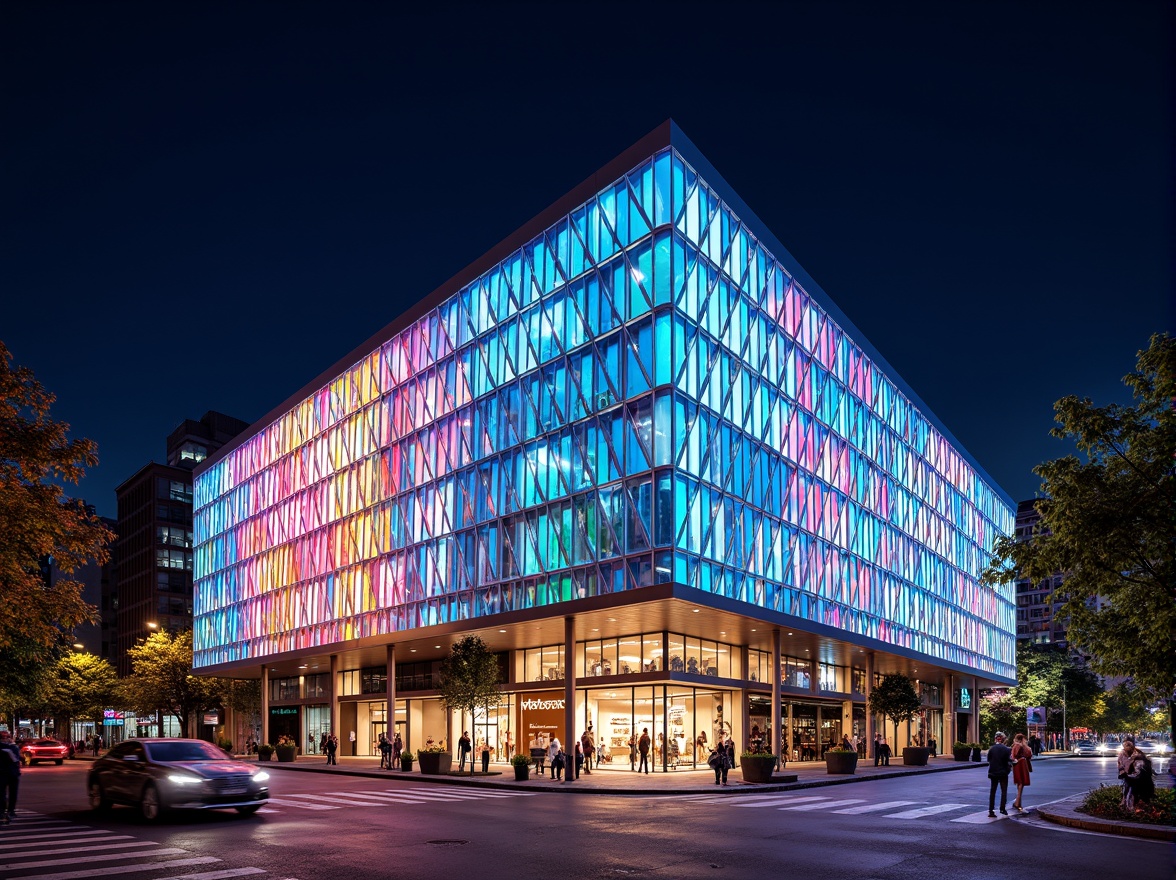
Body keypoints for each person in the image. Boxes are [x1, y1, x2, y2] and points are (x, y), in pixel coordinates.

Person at [986, 731, 1013, 817]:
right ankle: (1002, 808)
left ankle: (991, 810)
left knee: (993, 791)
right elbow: (1008, 760)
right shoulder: (1006, 749)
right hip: (1003, 772)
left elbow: (988, 759)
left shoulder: (991, 749)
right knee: (1003, 791)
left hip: (993, 772)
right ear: (1003, 739)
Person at [0, 730, 20, 823]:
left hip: (12, 773)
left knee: (11, 794)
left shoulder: (13, 747)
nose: (5, 739)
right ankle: (7, 811)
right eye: (3, 737)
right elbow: (16, 760)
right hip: (5, 773)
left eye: (7, 737)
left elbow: (17, 760)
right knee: (4, 794)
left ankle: (9, 811)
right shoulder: (12, 747)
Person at [1010, 733, 1032, 811]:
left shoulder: (1017, 746)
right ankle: (1018, 802)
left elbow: (1013, 756)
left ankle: (1017, 802)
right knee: (1021, 783)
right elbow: (1029, 755)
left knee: (1020, 783)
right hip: (1023, 764)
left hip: (1018, 764)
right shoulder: (1025, 747)